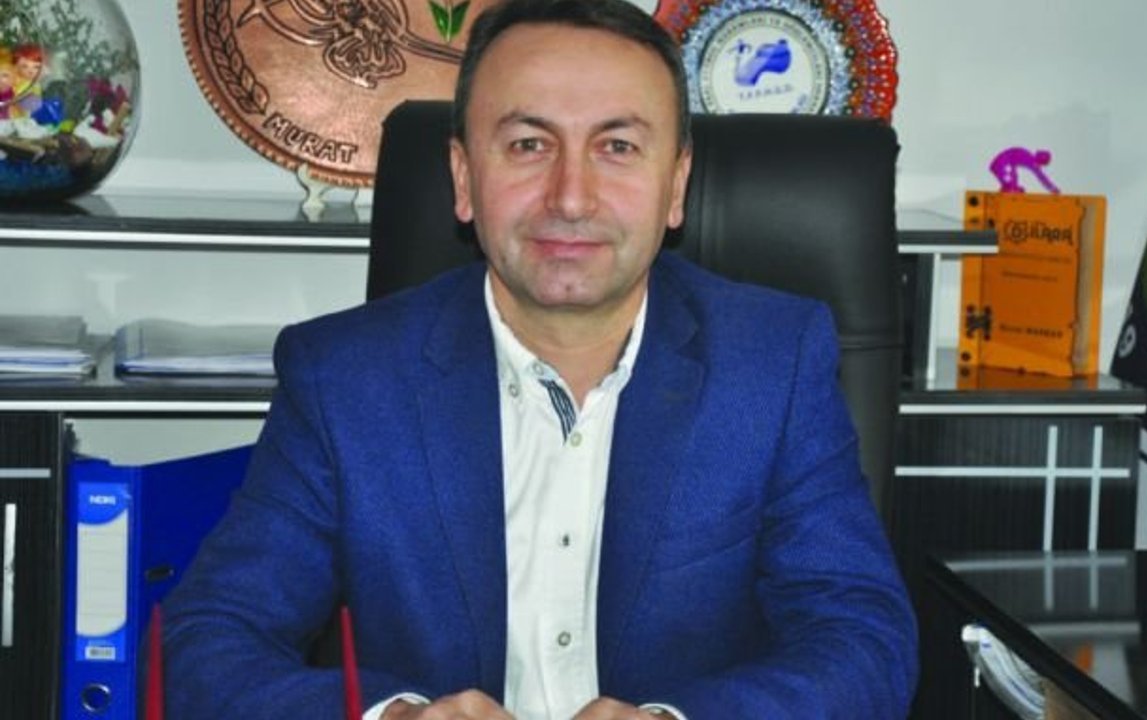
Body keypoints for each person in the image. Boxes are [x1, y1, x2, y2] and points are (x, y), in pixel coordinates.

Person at [161, 0, 917, 717]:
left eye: (617, 147)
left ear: (676, 185)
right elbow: (205, 643)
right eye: (529, 145)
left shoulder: (772, 365)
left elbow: (863, 641)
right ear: (464, 179)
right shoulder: (345, 379)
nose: (571, 197)